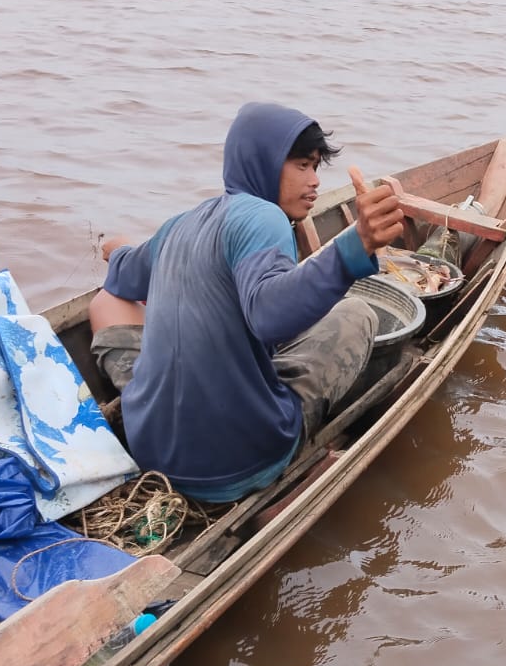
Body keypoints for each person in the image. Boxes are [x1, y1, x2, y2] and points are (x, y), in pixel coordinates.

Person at [89, 102, 404, 503]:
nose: (314, 182)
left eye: (315, 168)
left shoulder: (178, 226)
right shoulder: (264, 216)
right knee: (356, 312)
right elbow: (268, 317)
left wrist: (116, 249)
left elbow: (124, 277)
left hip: (151, 450)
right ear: (264, 162)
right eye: (302, 166)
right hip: (240, 460)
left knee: (105, 302)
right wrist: (355, 246)